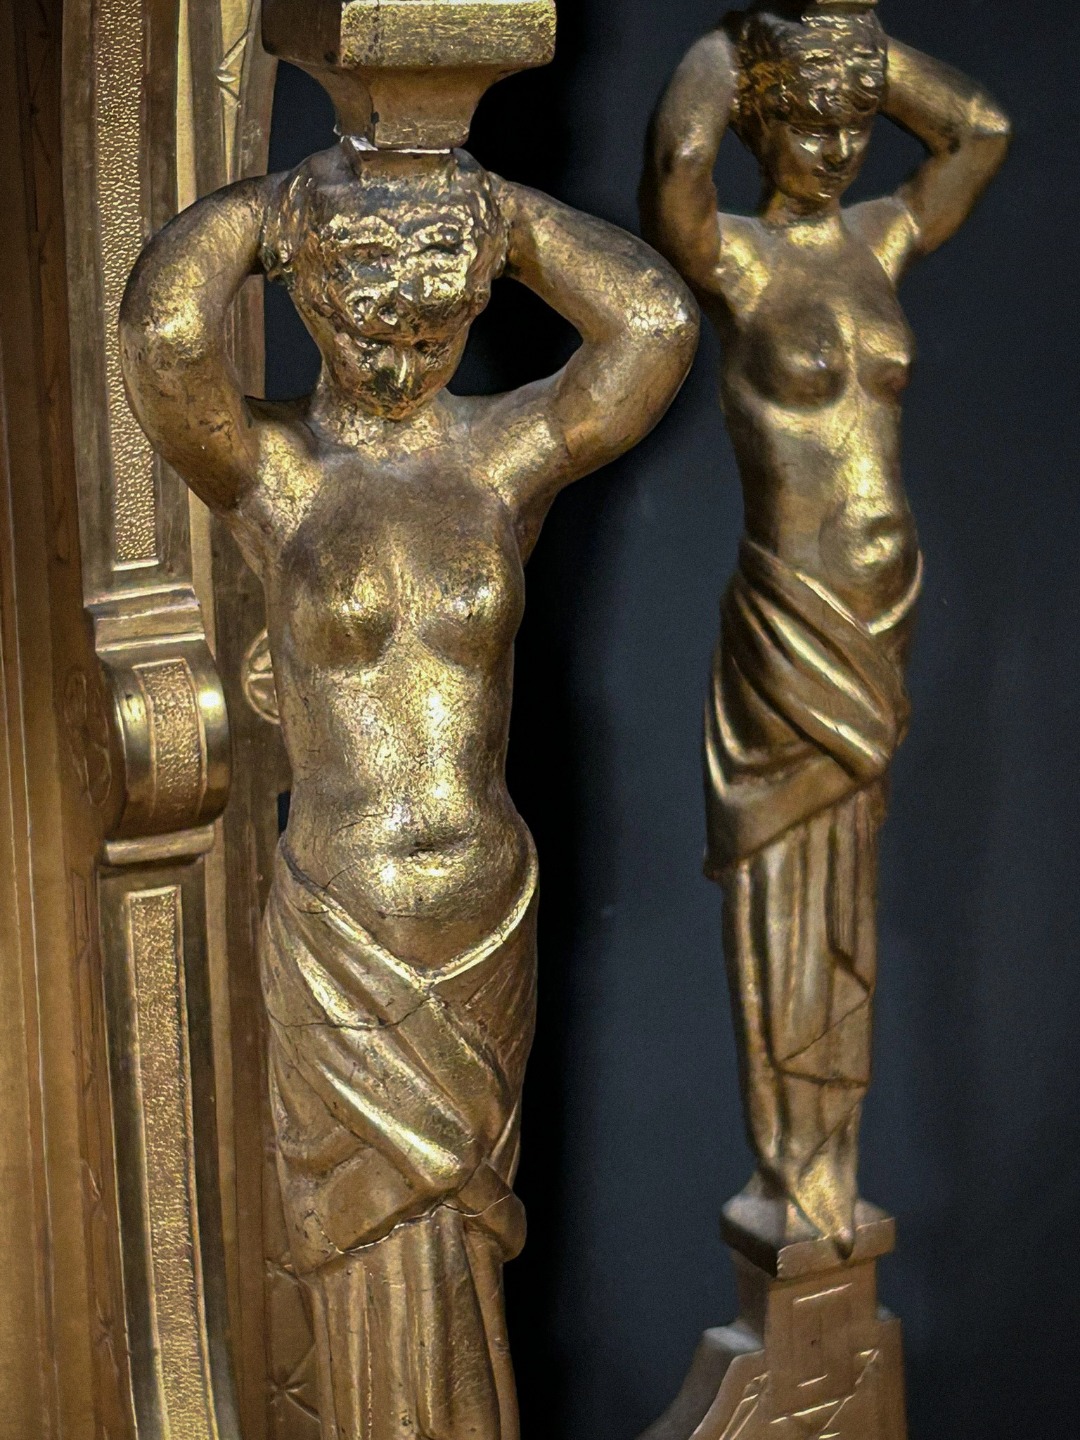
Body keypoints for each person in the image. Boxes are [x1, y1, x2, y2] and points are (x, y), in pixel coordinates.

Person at [120, 140, 697, 1439]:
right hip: (346, 937)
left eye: (434, 331)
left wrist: (496, 212)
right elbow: (163, 335)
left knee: (468, 1251)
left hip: (485, 925)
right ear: (312, 300)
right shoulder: (279, 477)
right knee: (365, 1255)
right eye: (368, 330)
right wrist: (279, 211)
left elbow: (655, 326)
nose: (397, 359)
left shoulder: (497, 462)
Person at [643, 3, 1009, 1254]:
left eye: (854, 122)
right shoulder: (740, 262)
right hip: (791, 621)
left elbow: (979, 130)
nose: (837, 146)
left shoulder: (881, 241)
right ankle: (790, 1177)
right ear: (758, 118)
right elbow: (678, 169)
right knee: (788, 885)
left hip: (881, 612)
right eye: (806, 121)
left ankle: (835, 1173)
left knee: (851, 891)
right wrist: (736, 46)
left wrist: (854, 44)